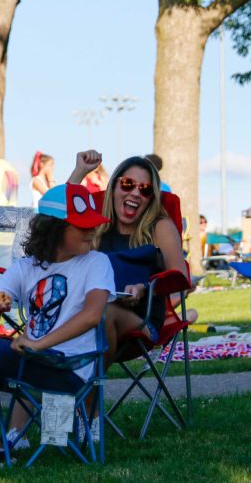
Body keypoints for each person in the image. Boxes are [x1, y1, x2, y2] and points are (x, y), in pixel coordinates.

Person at [0, 183, 114, 472]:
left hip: (70, 369)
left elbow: (92, 315)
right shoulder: (27, 267)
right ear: (54, 229)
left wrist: (41, 343)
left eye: (93, 224)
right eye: (82, 226)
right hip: (35, 360)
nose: (91, 231)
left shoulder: (96, 262)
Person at [68, 152, 187, 361]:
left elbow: (180, 278)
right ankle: (42, 386)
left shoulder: (160, 227)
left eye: (145, 189)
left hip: (141, 321)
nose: (135, 193)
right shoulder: (96, 227)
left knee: (100, 313)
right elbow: (58, 222)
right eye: (127, 184)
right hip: (85, 312)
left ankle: (86, 391)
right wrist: (79, 173)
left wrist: (146, 289)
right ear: (114, 187)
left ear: (151, 198)